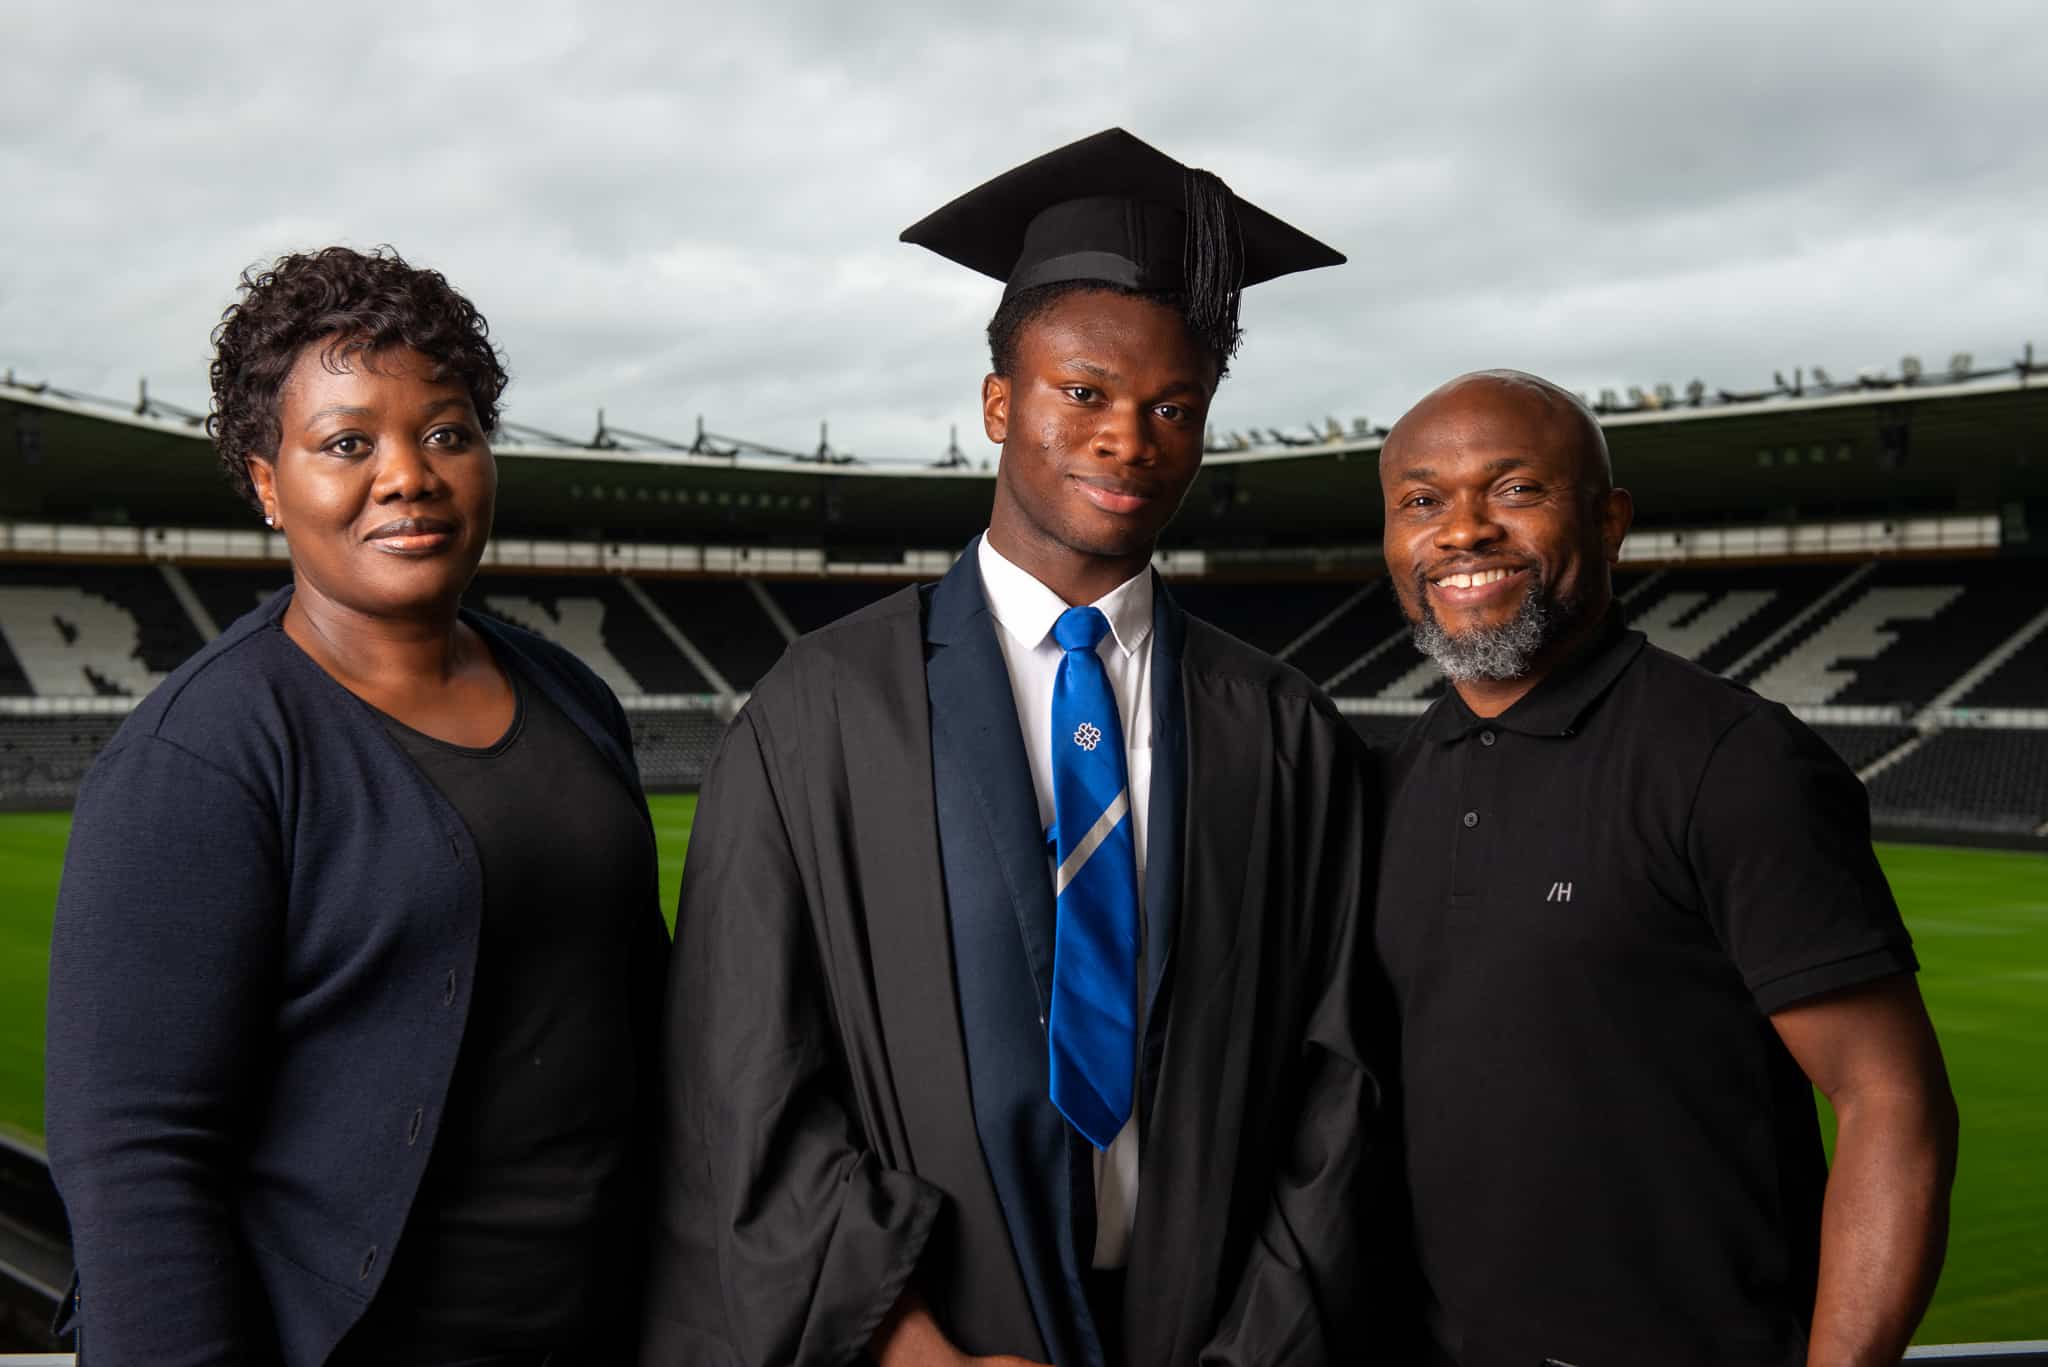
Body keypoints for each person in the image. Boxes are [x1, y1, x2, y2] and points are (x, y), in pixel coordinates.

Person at [640, 129, 1387, 1367]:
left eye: (1173, 408)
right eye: (1083, 392)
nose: (1128, 438)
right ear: (999, 401)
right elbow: (739, 1073)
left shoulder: (1283, 731)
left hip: (1211, 1329)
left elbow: (1339, 1079)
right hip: (928, 1328)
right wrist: (903, 1344)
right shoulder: (819, 710)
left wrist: (1256, 1347)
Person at [45, 246, 670, 1367]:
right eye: (346, 443)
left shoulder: (573, 695)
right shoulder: (203, 755)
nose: (409, 475)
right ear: (267, 481)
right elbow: (136, 1154)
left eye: (446, 432)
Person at [1372, 369, 1959, 1367]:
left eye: (1513, 489)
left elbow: (1889, 1103)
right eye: (1421, 500)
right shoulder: (1390, 778)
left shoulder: (1732, 761)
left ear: (1607, 522)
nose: (1460, 530)